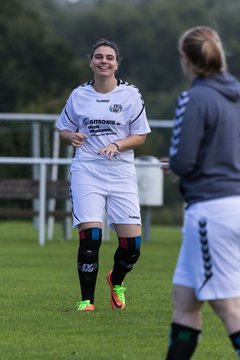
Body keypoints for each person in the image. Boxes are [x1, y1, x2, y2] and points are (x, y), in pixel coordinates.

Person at [56, 39, 151, 311]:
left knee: (132, 245)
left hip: (121, 173)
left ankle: (116, 280)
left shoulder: (130, 95)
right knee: (91, 239)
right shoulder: (79, 95)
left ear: (117, 64)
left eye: (109, 57)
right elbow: (64, 130)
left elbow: (141, 135)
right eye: (99, 57)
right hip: (87, 170)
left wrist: (118, 145)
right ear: (91, 62)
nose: (104, 61)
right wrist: (71, 136)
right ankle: (87, 301)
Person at [163, 26, 240, 358]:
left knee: (228, 307)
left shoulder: (193, 97)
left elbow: (183, 161)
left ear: (185, 58)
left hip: (211, 211)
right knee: (185, 301)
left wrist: (173, 166)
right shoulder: (236, 93)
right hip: (232, 206)